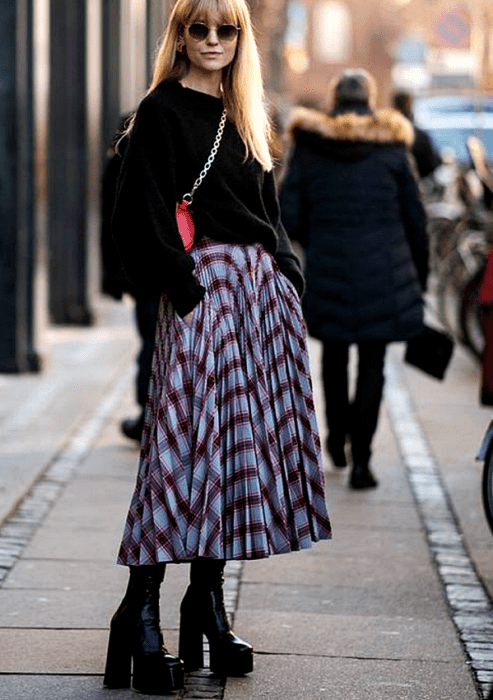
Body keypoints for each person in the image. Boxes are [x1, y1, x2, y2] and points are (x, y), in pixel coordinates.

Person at [103, 0, 332, 693]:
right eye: (197, 28)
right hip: (205, 297)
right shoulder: (161, 111)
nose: (211, 40)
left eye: (224, 29)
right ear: (179, 35)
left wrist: (287, 273)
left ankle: (206, 599)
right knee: (180, 448)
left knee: (238, 451)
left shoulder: (248, 112)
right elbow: (134, 214)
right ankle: (139, 608)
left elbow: (268, 209)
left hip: (260, 299)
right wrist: (186, 284)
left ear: (241, 37)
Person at [280, 69, 428, 490]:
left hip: (328, 267)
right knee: (374, 364)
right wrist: (419, 273)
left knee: (333, 356)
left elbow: (288, 216)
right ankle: (363, 461)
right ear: (369, 97)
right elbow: (415, 220)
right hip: (385, 272)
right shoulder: (393, 149)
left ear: (334, 98)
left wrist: (319, 237)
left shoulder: (309, 148)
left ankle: (337, 440)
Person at [100, 119, 160, 443]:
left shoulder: (120, 161)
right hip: (153, 268)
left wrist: (113, 275)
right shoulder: (142, 159)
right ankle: (150, 416)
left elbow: (109, 224)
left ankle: (148, 416)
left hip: (144, 270)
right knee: (155, 342)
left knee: (151, 341)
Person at [392, 90, 442, 179]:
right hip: (415, 182)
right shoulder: (418, 135)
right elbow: (431, 164)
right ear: (410, 105)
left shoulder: (386, 134)